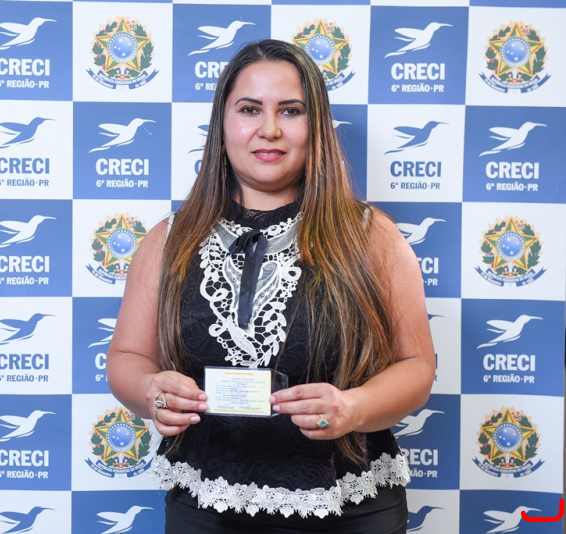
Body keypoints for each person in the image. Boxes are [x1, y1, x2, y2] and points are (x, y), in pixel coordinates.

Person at [107, 39, 435, 533]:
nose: (270, 129)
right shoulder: (169, 239)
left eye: (291, 110)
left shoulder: (370, 235)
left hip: (349, 509)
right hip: (206, 508)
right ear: (222, 127)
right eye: (249, 109)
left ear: (316, 127)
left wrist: (352, 408)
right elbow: (127, 357)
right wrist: (149, 390)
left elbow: (416, 366)